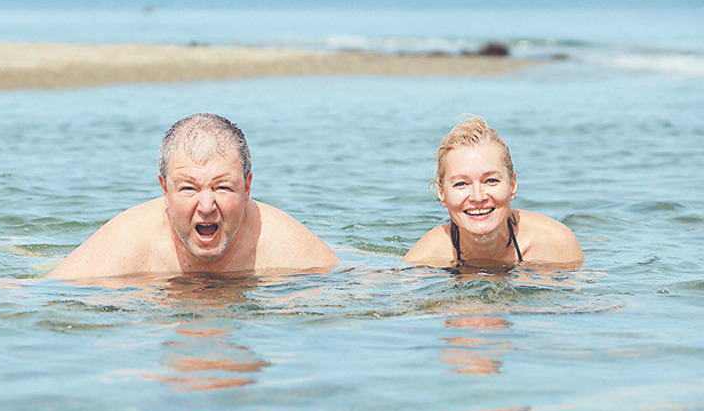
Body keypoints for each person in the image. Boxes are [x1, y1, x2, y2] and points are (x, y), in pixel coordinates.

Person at [46, 113, 339, 279]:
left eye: (223, 188)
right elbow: (38, 300)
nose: (207, 206)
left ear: (247, 187)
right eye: (189, 188)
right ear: (164, 188)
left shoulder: (291, 249)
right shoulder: (123, 251)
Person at [404, 116, 584, 266]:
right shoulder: (426, 258)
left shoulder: (556, 244)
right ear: (442, 194)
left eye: (491, 181)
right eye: (461, 184)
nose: (478, 196)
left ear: (512, 185)